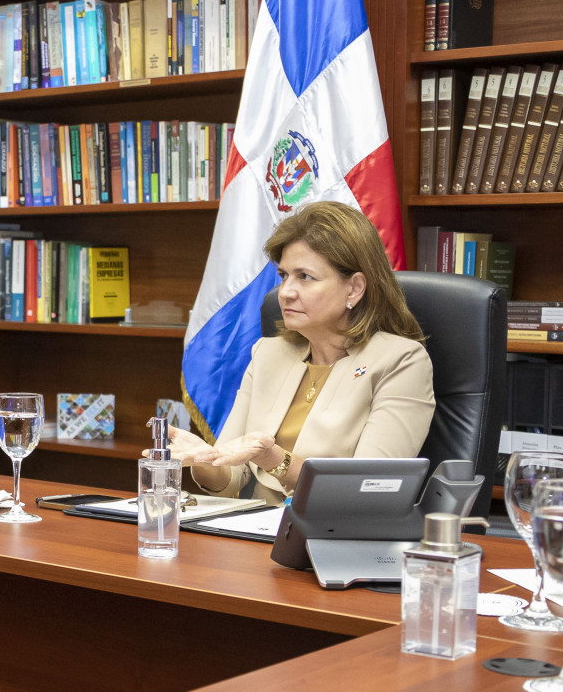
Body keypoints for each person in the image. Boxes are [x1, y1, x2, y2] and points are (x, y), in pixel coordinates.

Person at [172, 200, 434, 501]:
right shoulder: (268, 353)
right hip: (255, 525)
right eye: (284, 276)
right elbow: (231, 477)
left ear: (354, 289)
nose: (285, 292)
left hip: (334, 528)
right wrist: (205, 460)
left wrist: (274, 459)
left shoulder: (400, 361)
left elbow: (367, 488)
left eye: (305, 277)